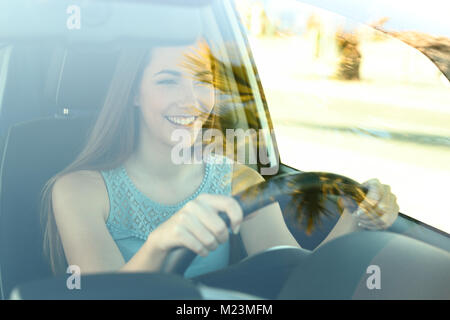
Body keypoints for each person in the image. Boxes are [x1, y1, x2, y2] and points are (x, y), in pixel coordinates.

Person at [41, 39, 399, 279]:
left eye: (202, 80)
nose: (191, 99)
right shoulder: (77, 190)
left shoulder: (237, 179)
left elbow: (296, 279)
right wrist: (160, 244)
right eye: (168, 82)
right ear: (134, 93)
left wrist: (356, 218)